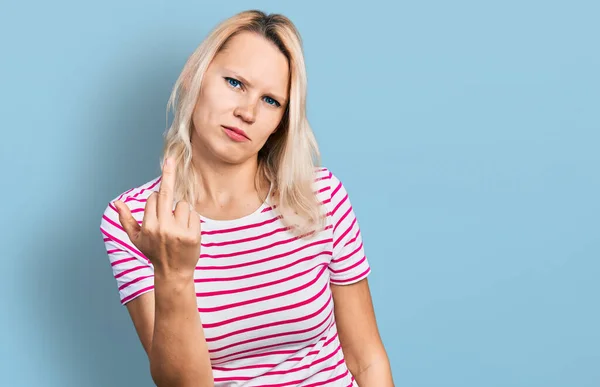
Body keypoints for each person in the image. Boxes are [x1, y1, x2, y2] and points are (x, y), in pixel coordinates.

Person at [100, 9, 394, 387]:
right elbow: (183, 384)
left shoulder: (322, 196)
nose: (247, 112)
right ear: (194, 77)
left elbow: (367, 358)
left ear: (281, 122)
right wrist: (174, 274)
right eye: (235, 83)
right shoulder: (137, 219)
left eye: (271, 100)